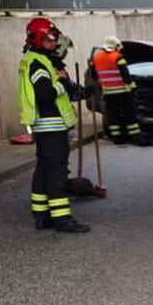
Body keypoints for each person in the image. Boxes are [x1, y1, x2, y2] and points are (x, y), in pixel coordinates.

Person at [18, 17, 90, 233]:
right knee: (57, 172)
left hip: (44, 126)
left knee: (43, 170)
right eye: (51, 39)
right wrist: (61, 82)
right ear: (40, 39)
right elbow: (45, 94)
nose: (55, 44)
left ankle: (42, 215)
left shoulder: (34, 59)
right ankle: (62, 219)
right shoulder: (38, 63)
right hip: (51, 126)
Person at [90, 36, 139, 145]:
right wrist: (133, 87)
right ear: (115, 46)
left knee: (113, 115)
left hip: (108, 92)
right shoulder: (117, 57)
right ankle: (134, 136)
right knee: (129, 114)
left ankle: (117, 138)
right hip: (123, 92)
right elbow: (125, 75)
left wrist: (102, 82)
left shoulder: (96, 58)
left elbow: (94, 75)